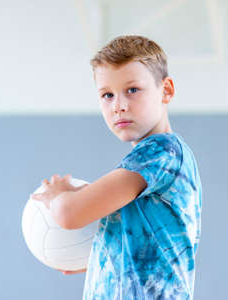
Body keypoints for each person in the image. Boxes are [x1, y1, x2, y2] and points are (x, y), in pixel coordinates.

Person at [30, 35, 202, 299]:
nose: (119, 106)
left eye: (132, 90)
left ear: (166, 90)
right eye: (107, 95)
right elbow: (145, 246)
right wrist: (102, 256)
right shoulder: (154, 160)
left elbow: (69, 214)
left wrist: (57, 195)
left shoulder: (161, 152)